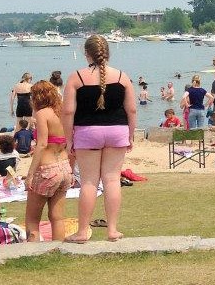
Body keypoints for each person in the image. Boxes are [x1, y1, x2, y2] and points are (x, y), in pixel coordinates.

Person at [62, 35, 136, 243]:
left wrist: (69, 139)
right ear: (107, 53)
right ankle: (112, 229)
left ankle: (83, 231)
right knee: (112, 179)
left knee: (89, 181)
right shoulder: (122, 77)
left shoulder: (77, 77)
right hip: (117, 129)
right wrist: (130, 134)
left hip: (87, 131)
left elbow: (67, 112)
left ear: (87, 53)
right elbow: (131, 109)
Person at [25, 80, 73, 242]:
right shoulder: (62, 113)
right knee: (57, 217)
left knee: (32, 219)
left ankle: (31, 254)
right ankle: (58, 249)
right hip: (64, 167)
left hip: (47, 169)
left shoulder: (42, 114)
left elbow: (42, 144)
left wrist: (30, 174)